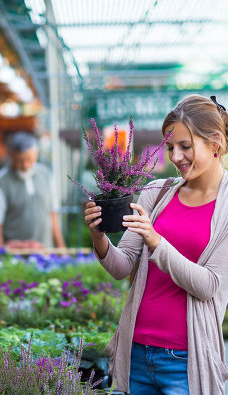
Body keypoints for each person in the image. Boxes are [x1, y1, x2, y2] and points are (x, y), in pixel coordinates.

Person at [84, 94, 228, 394]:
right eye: (171, 147)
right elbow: (121, 266)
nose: (175, 157)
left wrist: (156, 242)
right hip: (137, 352)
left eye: (185, 147)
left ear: (215, 142)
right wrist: (98, 235)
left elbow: (209, 286)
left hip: (186, 361)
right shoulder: (156, 193)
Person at [0, 132, 66, 250]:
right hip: (14, 257)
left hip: (45, 254)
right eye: (19, 160)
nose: (25, 165)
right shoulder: (0, 182)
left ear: (36, 155)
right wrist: (0, 254)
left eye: (29, 159)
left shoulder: (46, 175)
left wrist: (61, 250)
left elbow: (53, 214)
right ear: (11, 156)